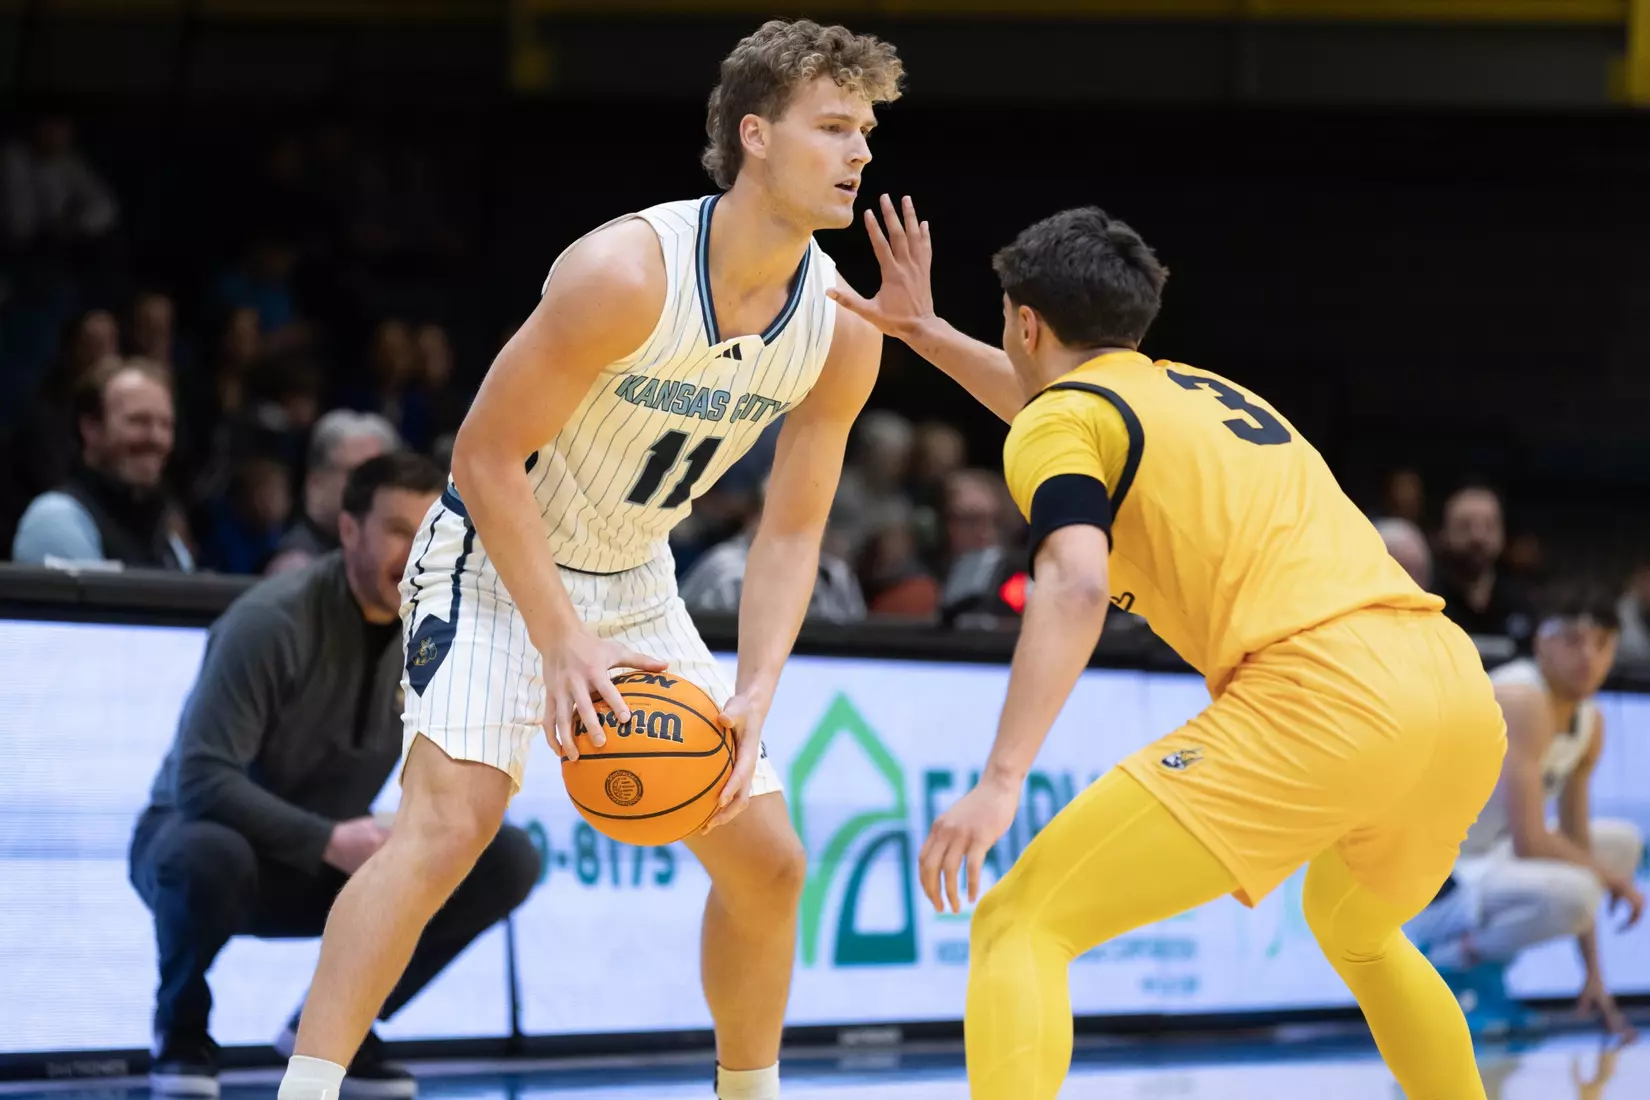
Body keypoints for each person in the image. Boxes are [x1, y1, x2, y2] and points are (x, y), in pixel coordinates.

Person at [277, 20, 900, 1100]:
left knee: (770, 860)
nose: (860, 153)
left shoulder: (844, 325)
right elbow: (482, 453)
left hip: (635, 572)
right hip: (490, 554)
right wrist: (560, 639)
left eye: (868, 130)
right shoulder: (626, 273)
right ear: (755, 135)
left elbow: (792, 530)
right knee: (445, 826)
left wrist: (757, 684)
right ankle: (305, 1088)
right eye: (834, 126)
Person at [832, 201, 1507, 1099]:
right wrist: (924, 333)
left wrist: (1001, 784)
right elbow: (1059, 416)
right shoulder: (1198, 391)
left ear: (1026, 323)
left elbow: (1074, 581)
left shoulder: (1065, 423)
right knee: (1357, 929)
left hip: (1323, 697)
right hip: (1454, 692)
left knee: (1021, 922)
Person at [131, 453, 541, 1098]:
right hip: (208, 845)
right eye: (399, 531)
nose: (416, 553)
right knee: (203, 855)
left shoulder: (444, 634)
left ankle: (335, 1025)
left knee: (504, 857)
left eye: (431, 531)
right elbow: (202, 781)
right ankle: (180, 1029)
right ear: (349, 530)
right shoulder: (271, 620)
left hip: (329, 855)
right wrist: (329, 838)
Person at [1405, 586, 1644, 1038]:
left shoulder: (1590, 722)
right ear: (1540, 643)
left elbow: (1577, 847)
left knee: (1619, 846)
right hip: (1427, 879)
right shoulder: (1521, 698)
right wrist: (1614, 884)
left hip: (1484, 860)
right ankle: (1446, 964)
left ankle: (1482, 973)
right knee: (1582, 887)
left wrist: (1595, 979)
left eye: (1602, 643)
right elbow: (1531, 841)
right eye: (1573, 640)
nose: (1588, 657)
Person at [12, 357, 194, 570]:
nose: (156, 438)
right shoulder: (56, 519)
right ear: (91, 429)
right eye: (138, 421)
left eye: (166, 425)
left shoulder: (168, 543)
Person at [267, 409, 402, 575]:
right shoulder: (296, 567)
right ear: (316, 482)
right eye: (357, 474)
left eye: (380, 475)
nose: (372, 488)